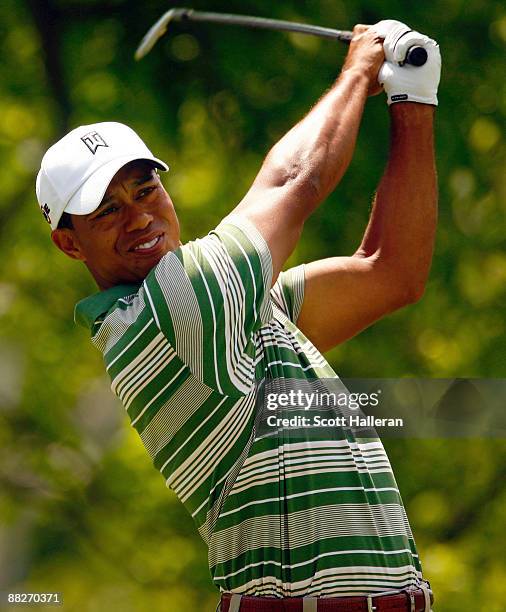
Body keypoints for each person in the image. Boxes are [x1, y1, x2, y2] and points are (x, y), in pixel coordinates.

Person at [36, 19, 440, 612]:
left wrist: (414, 101)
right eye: (106, 212)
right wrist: (358, 71)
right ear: (70, 244)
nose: (139, 219)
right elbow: (296, 180)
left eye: (145, 191)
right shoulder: (177, 307)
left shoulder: (236, 314)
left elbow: (391, 272)